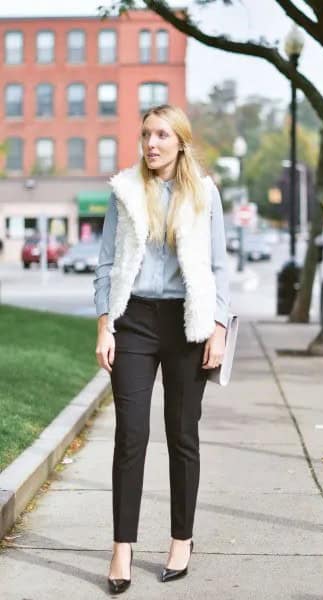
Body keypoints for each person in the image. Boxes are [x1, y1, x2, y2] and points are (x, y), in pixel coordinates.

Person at [93, 103, 230, 595]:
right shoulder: (124, 192)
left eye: (162, 135)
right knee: (130, 434)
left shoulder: (204, 193)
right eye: (147, 134)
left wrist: (218, 327)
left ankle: (181, 540)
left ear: (180, 142)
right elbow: (107, 265)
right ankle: (122, 549)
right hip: (133, 322)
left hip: (186, 324)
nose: (152, 143)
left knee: (181, 434)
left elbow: (218, 267)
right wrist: (105, 326)